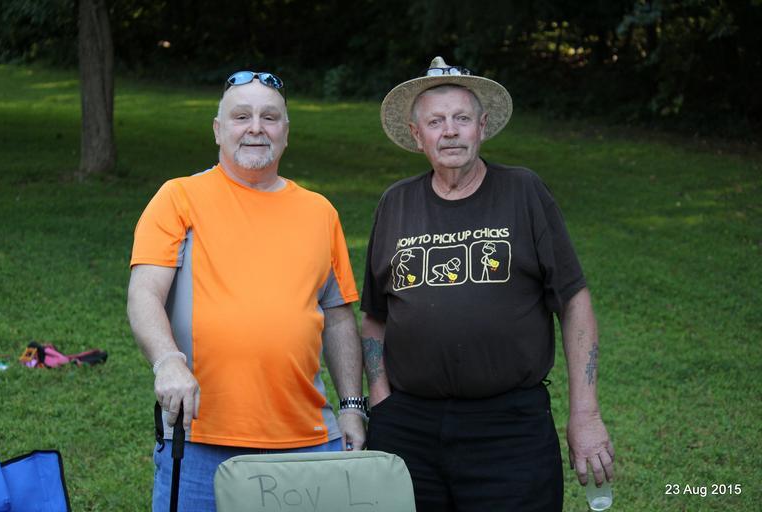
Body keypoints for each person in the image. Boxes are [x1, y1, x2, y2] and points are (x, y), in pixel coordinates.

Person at [361, 57, 615, 511]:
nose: (450, 132)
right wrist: (382, 402)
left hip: (509, 428)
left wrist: (585, 413)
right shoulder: (395, 203)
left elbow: (574, 300)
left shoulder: (523, 191)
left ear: (481, 127)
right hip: (409, 427)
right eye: (435, 122)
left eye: (461, 119)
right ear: (417, 136)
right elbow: (375, 316)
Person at [127, 70, 367, 512]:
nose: (256, 128)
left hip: (308, 442)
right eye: (242, 117)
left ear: (286, 132)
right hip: (200, 440)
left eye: (269, 117)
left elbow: (337, 317)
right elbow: (144, 295)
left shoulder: (320, 212)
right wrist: (168, 361)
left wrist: (352, 405)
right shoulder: (178, 198)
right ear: (218, 130)